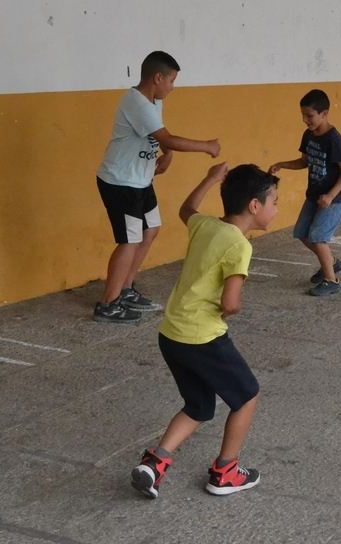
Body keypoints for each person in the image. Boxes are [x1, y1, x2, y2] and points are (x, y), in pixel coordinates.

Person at [130, 162, 278, 498]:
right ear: (255, 206)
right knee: (247, 396)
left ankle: (154, 464)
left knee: (198, 405)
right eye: (275, 202)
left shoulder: (204, 225)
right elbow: (230, 302)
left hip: (171, 334)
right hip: (202, 338)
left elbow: (187, 209)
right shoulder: (240, 245)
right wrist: (233, 310)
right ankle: (226, 471)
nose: (276, 209)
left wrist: (209, 178)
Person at [94, 51, 221, 324]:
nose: (173, 87)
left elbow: (159, 132)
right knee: (129, 240)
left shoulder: (153, 100)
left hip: (141, 180)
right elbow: (169, 138)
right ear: (158, 77)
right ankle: (108, 304)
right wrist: (207, 147)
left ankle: (125, 290)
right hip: (121, 182)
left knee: (150, 229)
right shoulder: (135, 102)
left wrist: (168, 153)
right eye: (172, 80)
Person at [269, 89, 341, 296]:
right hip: (314, 194)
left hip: (333, 198)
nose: (305, 120)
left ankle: (331, 280)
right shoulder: (309, 135)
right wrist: (282, 164)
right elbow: (304, 162)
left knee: (318, 237)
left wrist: (331, 195)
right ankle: (331, 262)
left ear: (324, 114)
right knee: (302, 233)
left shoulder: (333, 139)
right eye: (303, 115)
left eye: (309, 116)